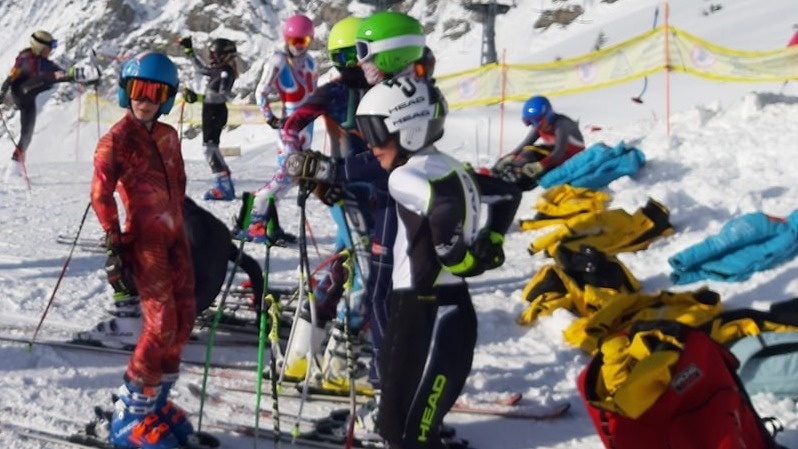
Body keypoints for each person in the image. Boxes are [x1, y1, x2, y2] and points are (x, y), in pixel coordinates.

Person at [354, 75, 513, 449]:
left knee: (400, 427)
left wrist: (453, 254)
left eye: (376, 133)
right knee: (418, 419)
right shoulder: (452, 166)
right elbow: (506, 194)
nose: (371, 145)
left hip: (420, 310)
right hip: (451, 307)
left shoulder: (404, 176)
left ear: (407, 130)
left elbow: (439, 204)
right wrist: (487, 241)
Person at [90, 51, 197, 449]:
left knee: (185, 318)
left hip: (175, 236)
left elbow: (178, 184)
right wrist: (114, 239)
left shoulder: (169, 135)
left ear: (166, 97)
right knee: (160, 323)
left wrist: (189, 222)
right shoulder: (115, 140)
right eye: (138, 89)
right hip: (146, 240)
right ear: (125, 91)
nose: (145, 98)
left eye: (155, 91)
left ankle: (155, 404)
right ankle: (129, 415)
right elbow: (101, 194)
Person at [74, 197, 264, 349]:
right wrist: (260, 309)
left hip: (180, 300)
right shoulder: (215, 226)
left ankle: (129, 326)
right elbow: (252, 267)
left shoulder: (169, 222)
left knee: (119, 260)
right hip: (199, 303)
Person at [246, 14, 318, 243]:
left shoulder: (311, 62)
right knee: (285, 175)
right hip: (290, 125)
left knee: (296, 176)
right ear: (287, 39)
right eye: (295, 41)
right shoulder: (278, 60)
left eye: (304, 41)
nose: (298, 47)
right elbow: (261, 91)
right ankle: (253, 216)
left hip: (308, 126)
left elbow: (314, 94)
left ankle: (268, 223)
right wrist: (271, 118)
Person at [0, 30, 95, 180]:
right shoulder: (27, 59)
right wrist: (2, 94)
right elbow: (11, 77)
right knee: (49, 77)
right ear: (39, 47)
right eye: (48, 48)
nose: (51, 51)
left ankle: (14, 169)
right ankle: (81, 75)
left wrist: (75, 78)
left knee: (27, 134)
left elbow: (58, 71)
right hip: (22, 92)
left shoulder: (41, 62)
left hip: (28, 100)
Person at [180, 36, 240, 201]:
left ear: (223, 55)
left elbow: (223, 96)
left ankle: (224, 186)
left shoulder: (226, 72)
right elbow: (200, 68)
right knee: (210, 148)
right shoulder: (218, 69)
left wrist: (197, 98)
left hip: (216, 111)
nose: (211, 58)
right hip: (210, 110)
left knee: (209, 149)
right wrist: (189, 51)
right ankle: (224, 184)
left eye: (214, 54)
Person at [492, 95, 585, 190]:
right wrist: (507, 157)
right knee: (525, 154)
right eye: (529, 122)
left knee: (530, 159)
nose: (535, 126)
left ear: (547, 116)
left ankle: (519, 184)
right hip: (557, 154)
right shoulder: (541, 125)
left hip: (573, 158)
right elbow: (525, 144)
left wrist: (540, 165)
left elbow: (559, 152)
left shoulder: (561, 124)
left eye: (537, 122)